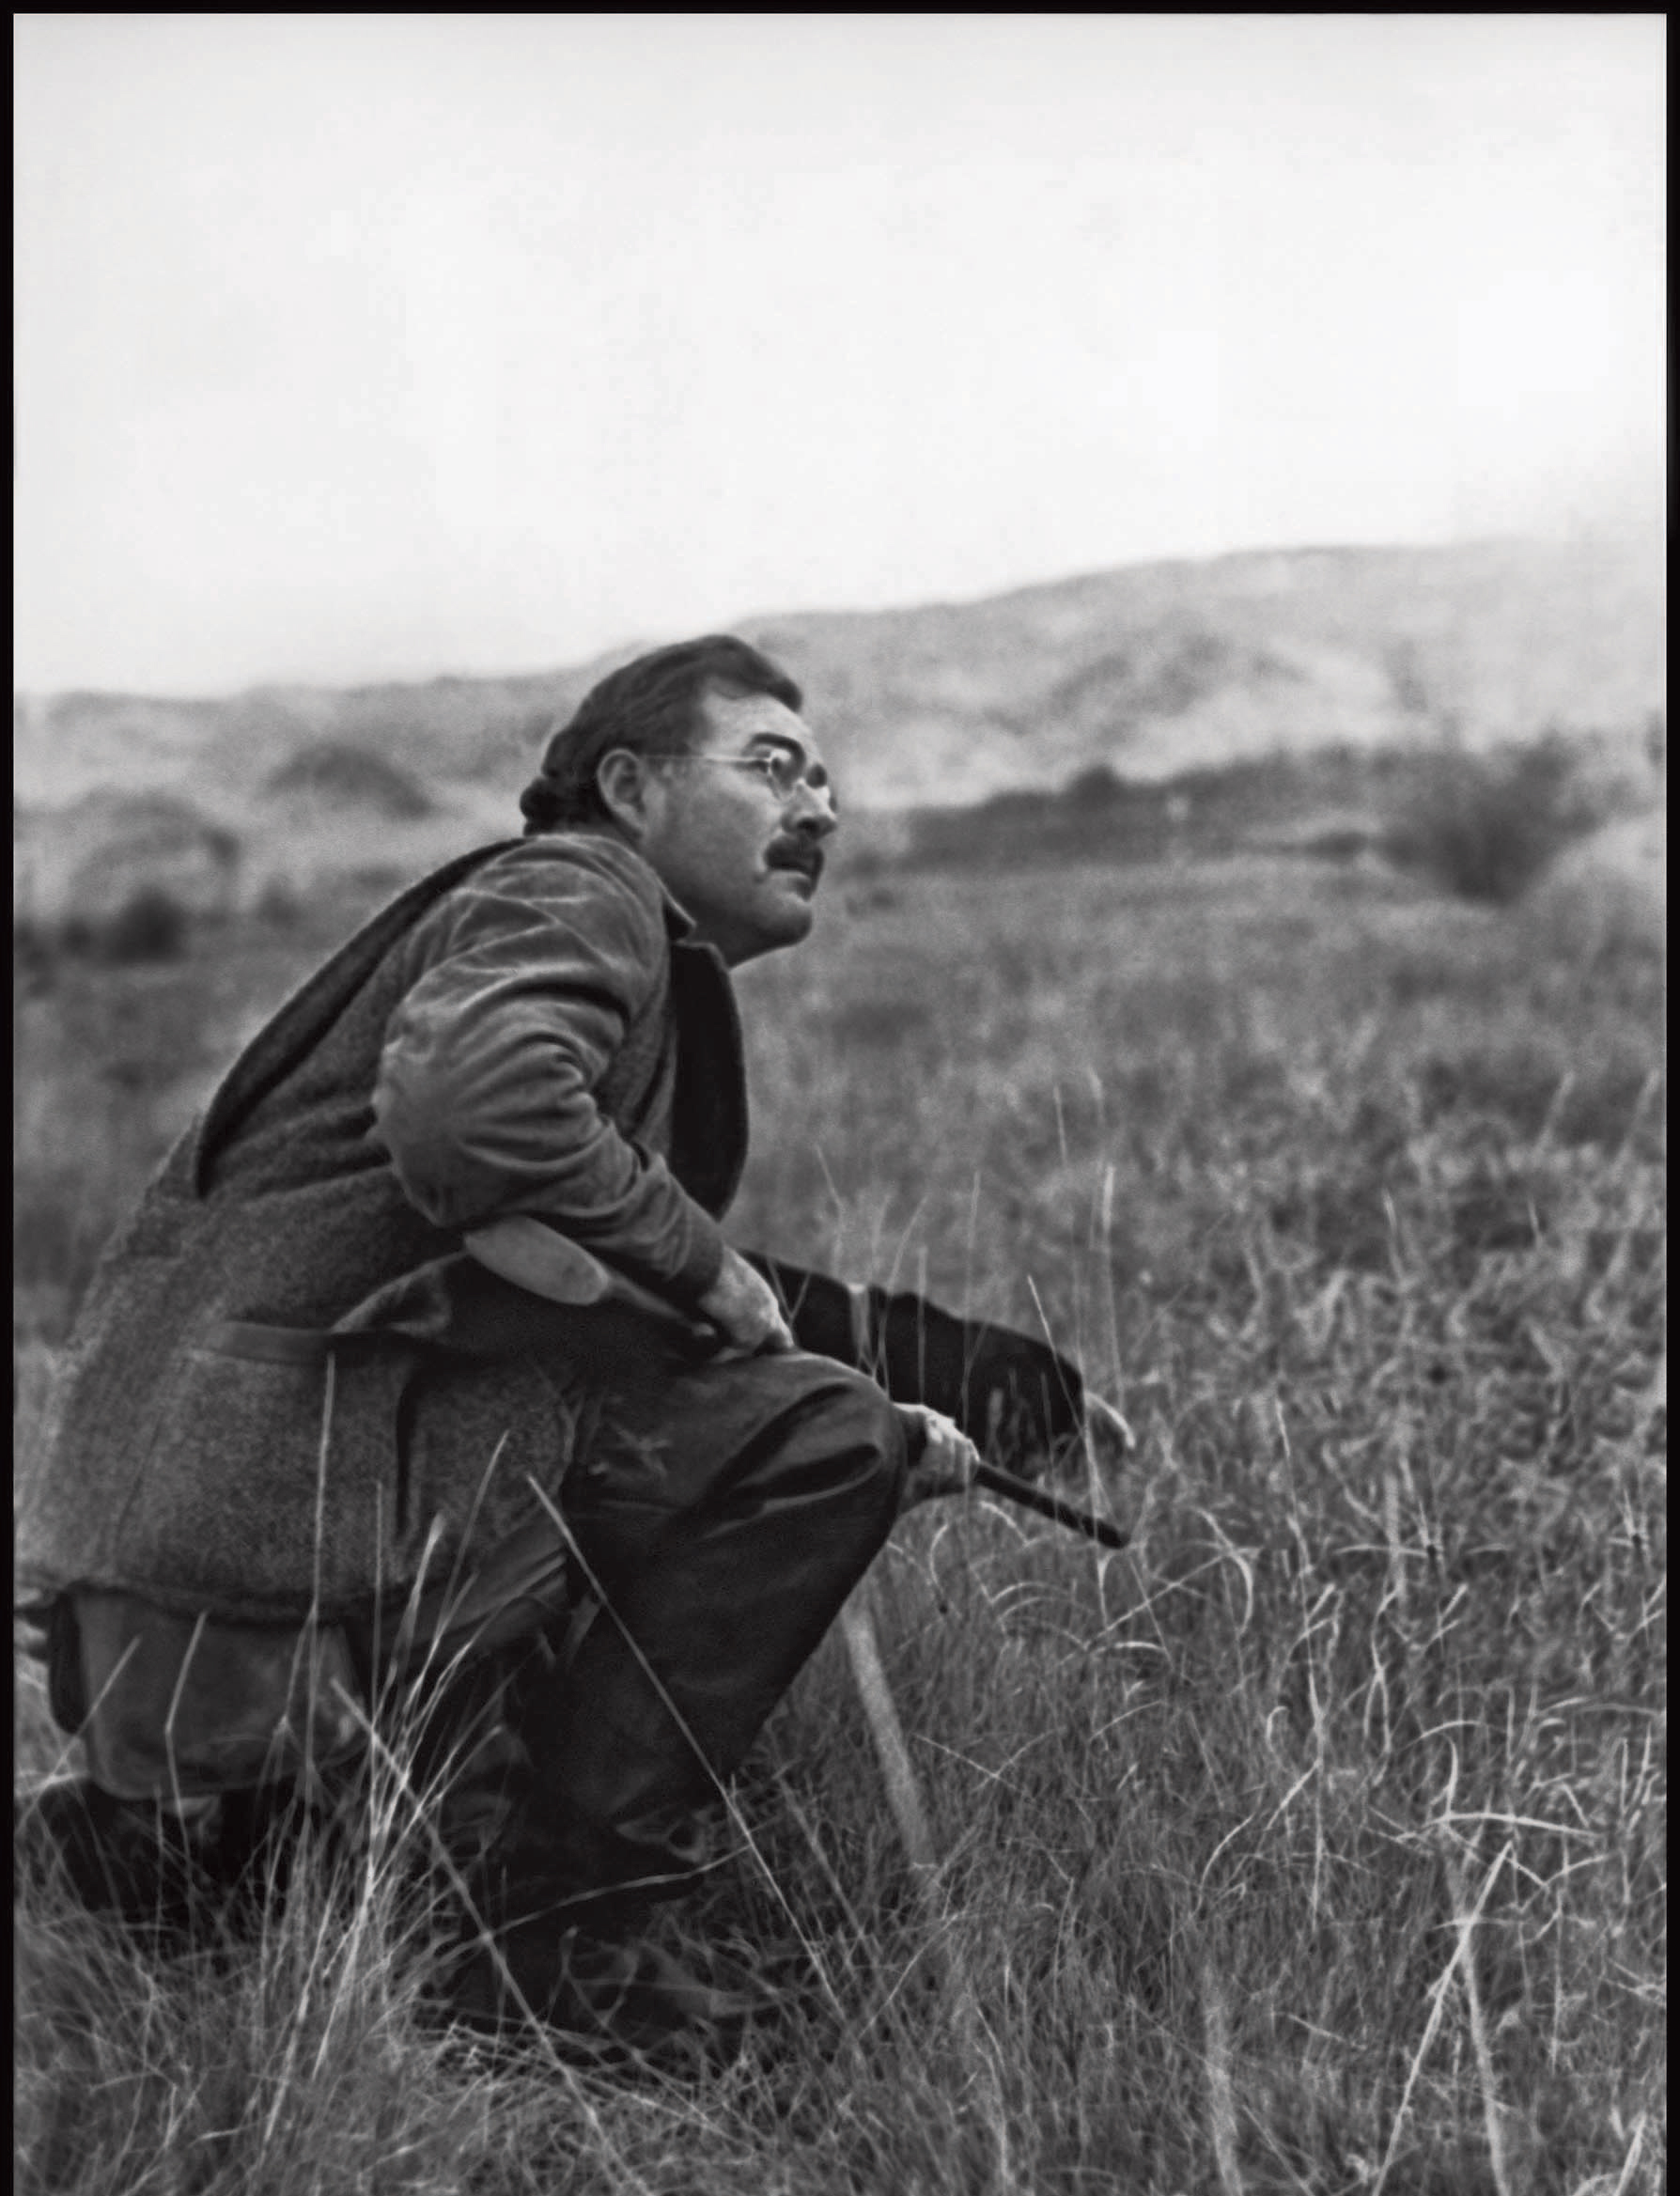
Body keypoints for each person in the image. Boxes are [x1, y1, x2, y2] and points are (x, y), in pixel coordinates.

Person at [17, 636, 1123, 2048]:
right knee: (821, 1442)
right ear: (629, 787)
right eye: (773, 766)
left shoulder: (565, 928)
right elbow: (482, 1111)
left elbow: (659, 1272)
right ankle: (546, 1944)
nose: (823, 808)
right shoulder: (584, 885)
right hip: (281, 1518)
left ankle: (179, 1838)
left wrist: (975, 1381)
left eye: (829, 777)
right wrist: (813, 1363)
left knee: (224, 1899)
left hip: (193, 1531)